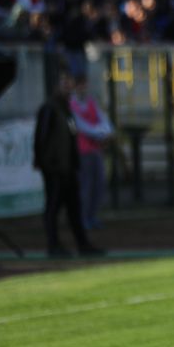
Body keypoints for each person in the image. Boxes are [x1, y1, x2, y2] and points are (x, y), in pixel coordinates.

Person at [33, 70, 103, 257]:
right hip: (55, 169)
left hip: (69, 168)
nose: (67, 85)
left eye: (69, 82)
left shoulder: (66, 109)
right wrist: (45, 164)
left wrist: (74, 163)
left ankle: (83, 244)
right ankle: (53, 245)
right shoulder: (49, 108)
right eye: (63, 82)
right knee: (53, 208)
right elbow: (41, 139)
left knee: (74, 209)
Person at [69, 72, 113, 232]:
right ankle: (83, 218)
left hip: (95, 150)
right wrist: (101, 134)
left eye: (85, 85)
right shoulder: (72, 105)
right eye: (81, 85)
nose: (84, 88)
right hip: (83, 151)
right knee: (85, 186)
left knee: (99, 184)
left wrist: (106, 132)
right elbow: (81, 126)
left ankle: (92, 216)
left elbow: (104, 120)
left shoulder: (91, 102)